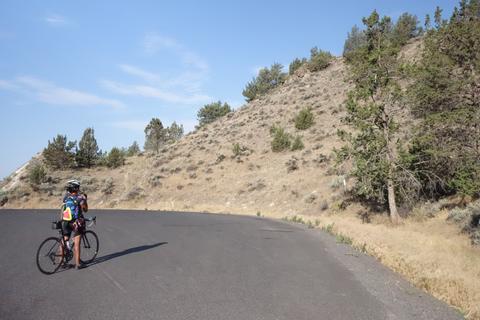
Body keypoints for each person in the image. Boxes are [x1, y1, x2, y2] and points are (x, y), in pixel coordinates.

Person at [60, 179, 88, 270]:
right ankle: (78, 264)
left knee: (65, 240)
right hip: (76, 222)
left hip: (65, 221)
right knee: (77, 242)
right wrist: (85, 199)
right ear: (76, 188)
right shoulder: (80, 198)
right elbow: (85, 209)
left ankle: (62, 262)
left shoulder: (66, 197)